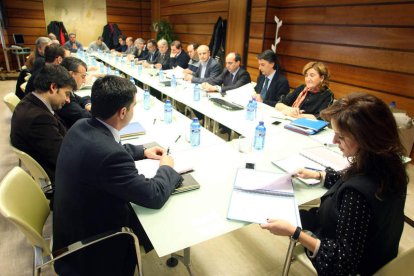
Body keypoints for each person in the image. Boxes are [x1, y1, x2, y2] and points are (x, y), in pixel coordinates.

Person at [261, 93, 408, 275]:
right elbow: (351, 178)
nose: (334, 141)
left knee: (288, 216)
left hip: (357, 262)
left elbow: (342, 264)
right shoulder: (389, 164)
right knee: (293, 213)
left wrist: (295, 232)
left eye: (341, 136)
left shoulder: (356, 195)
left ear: (366, 138)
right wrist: (318, 175)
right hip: (381, 249)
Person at [53, 75, 183, 275]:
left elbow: (103, 151)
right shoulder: (109, 155)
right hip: (91, 248)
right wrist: (167, 167)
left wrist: (142, 151)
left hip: (71, 227)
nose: (133, 110)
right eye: (133, 106)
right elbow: (153, 195)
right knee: (160, 212)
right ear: (123, 112)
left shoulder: (81, 126)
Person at [10, 64, 76, 183]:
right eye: (66, 93)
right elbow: (65, 159)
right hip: (61, 181)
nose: (68, 100)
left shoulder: (30, 101)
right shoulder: (39, 119)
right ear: (53, 87)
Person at [57, 57, 92, 128]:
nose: (84, 81)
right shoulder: (63, 99)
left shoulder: (67, 91)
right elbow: (90, 117)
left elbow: (84, 98)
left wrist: (88, 104)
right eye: (83, 76)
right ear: (71, 74)